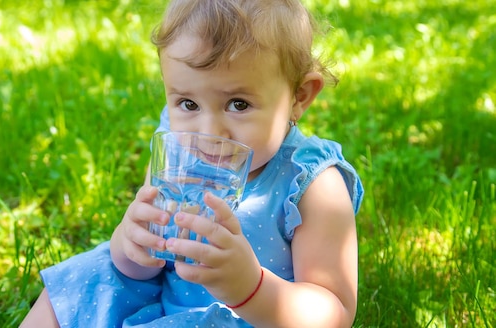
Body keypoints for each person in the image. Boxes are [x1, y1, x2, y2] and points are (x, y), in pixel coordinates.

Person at [20, 0, 364, 327]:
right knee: (86, 277)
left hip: (255, 319)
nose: (208, 132)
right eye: (187, 103)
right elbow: (145, 264)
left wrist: (252, 288)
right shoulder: (178, 152)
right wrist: (132, 244)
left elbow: (334, 311)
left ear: (299, 96)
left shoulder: (312, 185)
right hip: (165, 306)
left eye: (239, 104)